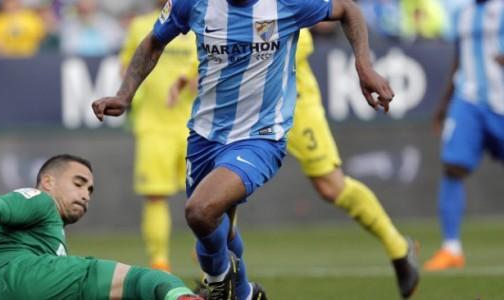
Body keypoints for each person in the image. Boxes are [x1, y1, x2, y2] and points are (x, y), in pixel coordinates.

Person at [92, 0, 402, 299]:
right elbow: (152, 43)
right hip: (204, 135)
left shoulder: (288, 4)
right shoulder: (193, 3)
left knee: (200, 210)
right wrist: (125, 94)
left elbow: (348, 8)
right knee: (214, 225)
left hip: (261, 135)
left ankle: (218, 283)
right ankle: (243, 294)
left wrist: (363, 65)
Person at [169, 28, 420, 299]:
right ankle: (228, 287)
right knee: (220, 192)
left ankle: (398, 248)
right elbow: (221, 33)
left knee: (331, 187)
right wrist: (190, 71)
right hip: (246, 111)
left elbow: (306, 37)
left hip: (296, 104)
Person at [0, 154, 203, 300]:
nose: (86, 194)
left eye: (90, 189)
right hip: (24, 277)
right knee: (143, 281)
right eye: (78, 183)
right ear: (47, 181)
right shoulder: (40, 200)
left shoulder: (48, 231)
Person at [119, 0, 198, 273]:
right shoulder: (195, 19)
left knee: (211, 195)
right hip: (163, 126)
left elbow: (126, 69)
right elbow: (127, 69)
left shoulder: (196, 18)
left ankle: (189, 256)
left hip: (191, 125)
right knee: (160, 196)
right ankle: (161, 263)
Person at [425, 0, 504, 272]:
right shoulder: (463, 14)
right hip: (468, 100)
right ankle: (451, 248)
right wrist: (443, 105)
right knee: (452, 167)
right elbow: (459, 59)